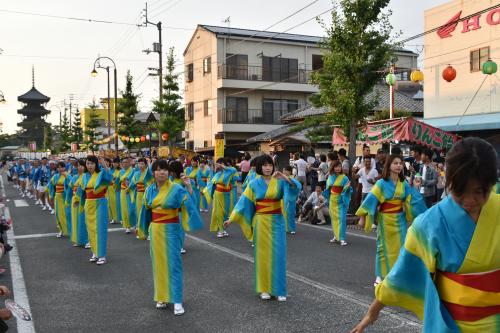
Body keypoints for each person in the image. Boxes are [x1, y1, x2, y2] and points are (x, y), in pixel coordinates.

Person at [351, 137, 500, 333]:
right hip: (452, 325)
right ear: (448, 181)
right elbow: (401, 276)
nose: (469, 200)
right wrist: (372, 312)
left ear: (492, 184)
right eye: (460, 191)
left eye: (480, 192)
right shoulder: (429, 224)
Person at [224, 154, 300, 302]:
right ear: (259, 167)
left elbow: (296, 188)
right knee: (262, 255)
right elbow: (243, 202)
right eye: (264, 165)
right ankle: (264, 288)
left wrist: (286, 178)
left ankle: (279, 290)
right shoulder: (253, 183)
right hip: (261, 222)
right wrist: (232, 218)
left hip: (277, 221)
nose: (268, 168)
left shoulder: (279, 181)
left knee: (279, 255)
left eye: (270, 165)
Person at [139, 159, 203, 315]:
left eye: (165, 170)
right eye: (159, 169)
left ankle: (177, 300)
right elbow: (145, 210)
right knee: (158, 263)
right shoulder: (149, 190)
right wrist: (143, 229)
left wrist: (188, 186)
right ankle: (162, 296)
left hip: (171, 229)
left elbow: (189, 204)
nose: (162, 172)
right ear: (153, 172)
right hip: (156, 230)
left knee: (174, 263)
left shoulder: (175, 188)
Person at [356, 154, 427, 286]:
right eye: (395, 163)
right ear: (388, 166)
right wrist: (362, 217)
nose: (399, 165)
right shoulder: (381, 183)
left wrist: (416, 187)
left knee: (401, 248)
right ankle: (380, 276)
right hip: (385, 220)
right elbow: (371, 200)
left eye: (400, 163)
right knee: (382, 248)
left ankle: (397, 275)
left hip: (399, 220)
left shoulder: (404, 184)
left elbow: (412, 200)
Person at [78, 155, 113, 265]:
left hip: (100, 202)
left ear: (96, 164)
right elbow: (82, 191)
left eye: (92, 163)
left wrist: (105, 165)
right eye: (88, 163)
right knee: (91, 228)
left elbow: (110, 178)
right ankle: (95, 252)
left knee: (100, 229)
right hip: (89, 203)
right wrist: (77, 200)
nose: (90, 166)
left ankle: (102, 255)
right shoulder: (84, 176)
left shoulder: (101, 173)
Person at [203, 158, 239, 238]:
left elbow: (235, 176)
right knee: (218, 212)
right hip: (218, 194)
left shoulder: (231, 171)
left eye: (220, 163)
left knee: (225, 213)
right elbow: (211, 184)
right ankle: (220, 230)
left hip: (226, 194)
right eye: (218, 164)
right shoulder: (217, 174)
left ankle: (223, 229)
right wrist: (205, 191)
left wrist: (223, 166)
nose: (218, 165)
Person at [324, 160, 352, 245]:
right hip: (332, 199)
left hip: (341, 199)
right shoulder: (330, 177)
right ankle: (336, 236)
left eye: (339, 166)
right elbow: (328, 189)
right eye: (336, 166)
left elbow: (350, 190)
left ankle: (342, 238)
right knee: (334, 219)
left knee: (342, 219)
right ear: (333, 167)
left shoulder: (344, 177)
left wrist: (347, 188)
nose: (338, 168)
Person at [66, 159, 89, 248]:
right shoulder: (74, 177)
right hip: (74, 200)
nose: (79, 167)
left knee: (84, 220)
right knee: (75, 220)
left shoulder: (86, 176)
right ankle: (78, 239)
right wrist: (67, 200)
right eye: (78, 166)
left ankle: (87, 240)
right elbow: (69, 188)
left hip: (83, 200)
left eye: (81, 165)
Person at [131, 158, 153, 240]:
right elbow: (132, 184)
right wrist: (128, 189)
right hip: (139, 195)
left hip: (146, 195)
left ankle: (150, 232)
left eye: (142, 164)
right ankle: (141, 232)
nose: (140, 165)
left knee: (148, 213)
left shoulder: (148, 172)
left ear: (146, 165)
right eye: (139, 164)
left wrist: (150, 163)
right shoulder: (136, 173)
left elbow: (151, 176)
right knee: (139, 213)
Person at [47, 161, 71, 238]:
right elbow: (50, 185)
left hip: (65, 197)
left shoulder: (68, 175)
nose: (60, 169)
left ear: (65, 167)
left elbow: (71, 184)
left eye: (62, 167)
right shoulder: (55, 176)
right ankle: (61, 229)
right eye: (59, 167)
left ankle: (68, 230)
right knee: (58, 214)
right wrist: (51, 195)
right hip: (57, 197)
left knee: (66, 214)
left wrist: (67, 177)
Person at [119, 157, 137, 234]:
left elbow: (134, 181)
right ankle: (127, 226)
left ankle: (135, 223)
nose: (124, 164)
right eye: (123, 162)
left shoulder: (133, 171)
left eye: (126, 162)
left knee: (132, 209)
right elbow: (119, 181)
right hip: (123, 192)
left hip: (131, 191)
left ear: (129, 163)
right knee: (124, 210)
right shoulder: (121, 172)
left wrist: (129, 186)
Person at [282, 166, 302, 234]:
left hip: (291, 199)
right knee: (285, 213)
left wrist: (285, 178)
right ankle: (286, 228)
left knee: (291, 213)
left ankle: (292, 228)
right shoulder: (282, 179)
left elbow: (295, 185)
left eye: (286, 170)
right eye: (283, 170)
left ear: (290, 172)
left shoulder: (292, 179)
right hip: (284, 198)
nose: (284, 172)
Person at [107, 157, 121, 225]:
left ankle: (118, 218)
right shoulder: (110, 170)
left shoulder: (120, 171)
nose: (115, 164)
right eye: (114, 162)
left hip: (117, 189)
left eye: (117, 163)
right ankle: (112, 218)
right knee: (110, 204)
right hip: (109, 189)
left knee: (117, 203)